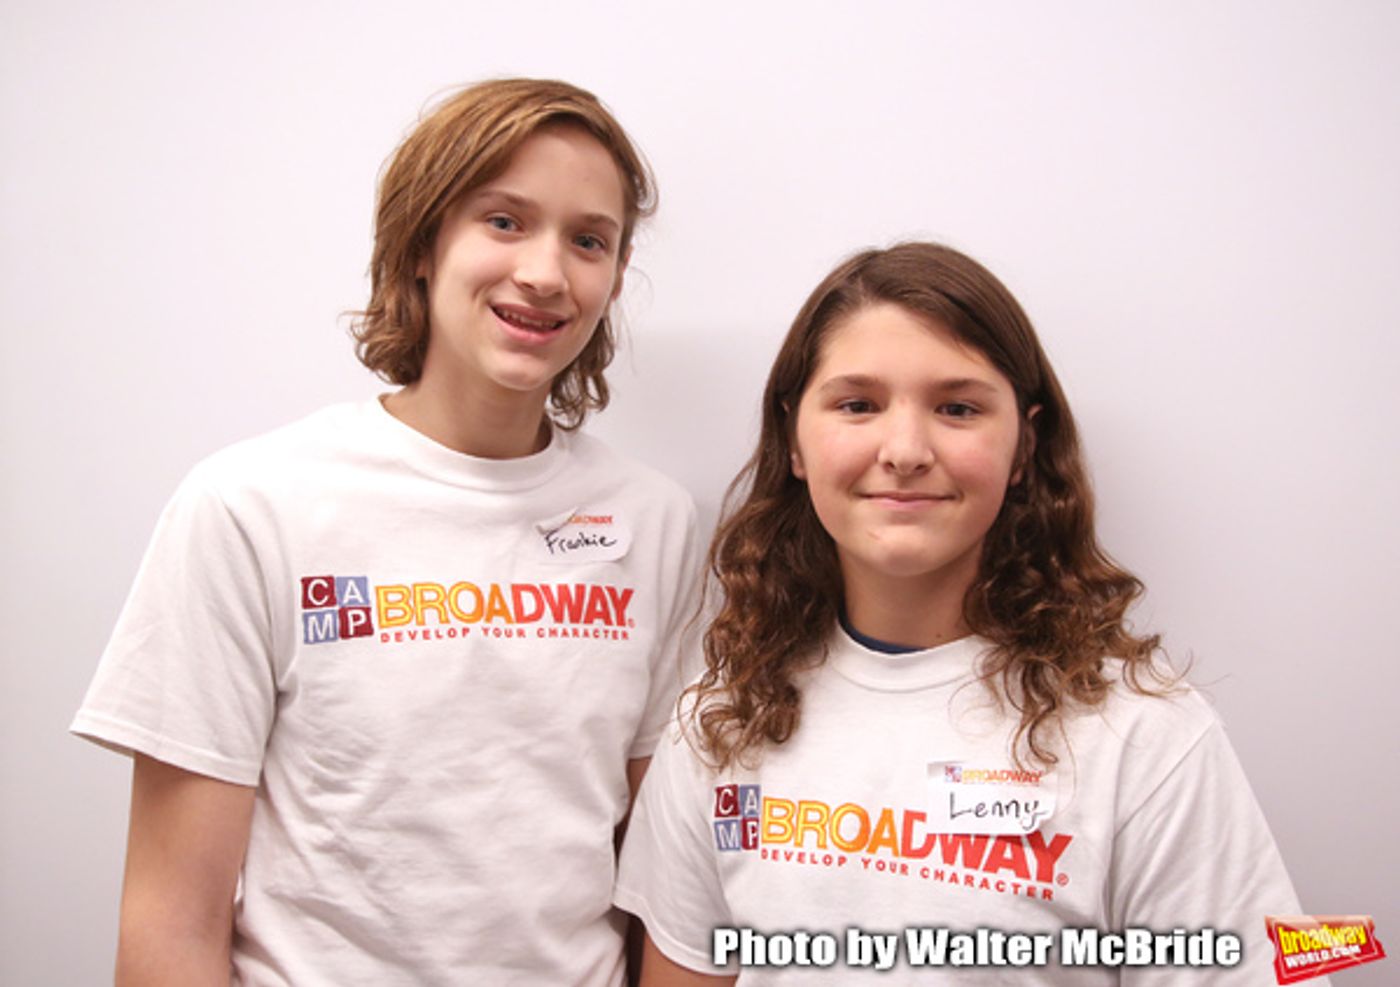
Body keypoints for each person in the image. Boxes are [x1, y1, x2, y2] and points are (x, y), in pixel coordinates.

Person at [72, 78, 700, 986]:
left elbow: (668, 877)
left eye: (588, 240)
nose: (546, 272)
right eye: (505, 221)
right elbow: (172, 920)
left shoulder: (654, 521)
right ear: (421, 243)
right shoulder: (253, 505)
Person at [615, 242, 1314, 985]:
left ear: (1024, 446)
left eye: (957, 407)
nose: (906, 449)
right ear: (794, 438)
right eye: (858, 404)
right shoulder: (723, 717)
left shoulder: (1142, 737)